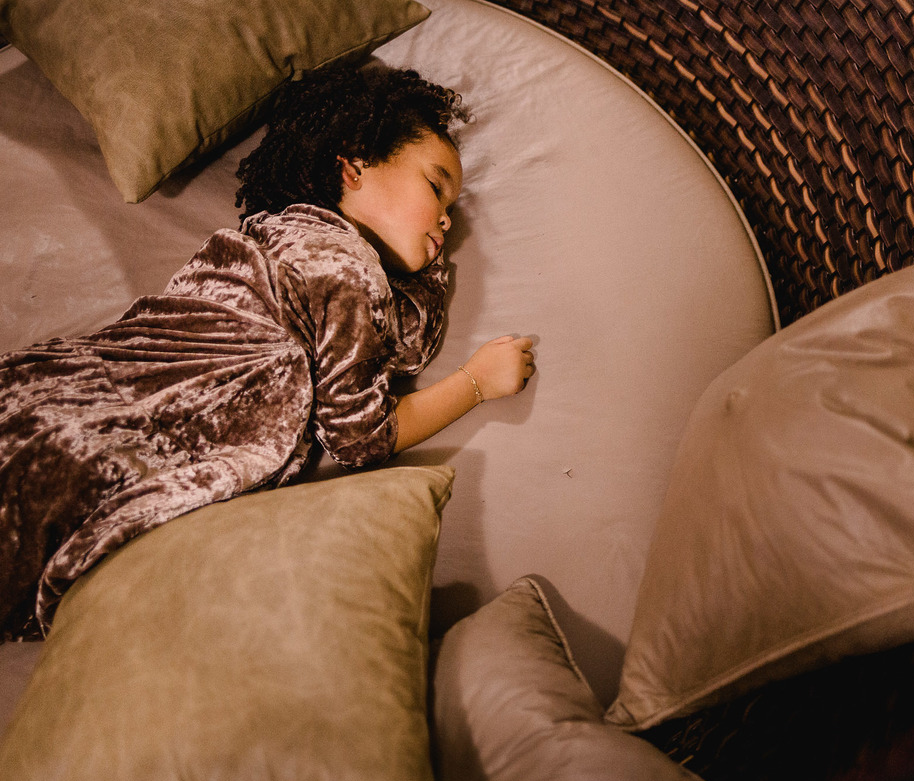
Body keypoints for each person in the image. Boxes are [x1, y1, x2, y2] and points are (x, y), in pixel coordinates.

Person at [0, 63, 534, 639]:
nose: (447, 219)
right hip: (153, 406)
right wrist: (476, 381)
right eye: (435, 186)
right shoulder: (346, 269)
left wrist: (422, 265)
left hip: (67, 378)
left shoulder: (265, 233)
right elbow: (362, 437)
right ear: (352, 168)